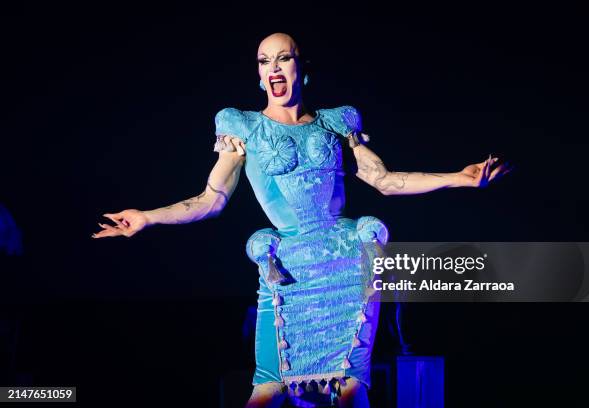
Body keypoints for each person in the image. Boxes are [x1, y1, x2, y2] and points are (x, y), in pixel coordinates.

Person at [93, 33, 511, 407]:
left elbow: (385, 180)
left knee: (351, 389)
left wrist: (461, 178)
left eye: (283, 58)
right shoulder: (244, 127)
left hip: (347, 264)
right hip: (286, 268)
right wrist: (146, 217)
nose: (273, 68)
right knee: (267, 390)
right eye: (263, 60)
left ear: (302, 68)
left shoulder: (335, 123)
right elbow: (211, 199)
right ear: (259, 75)